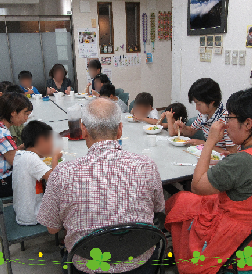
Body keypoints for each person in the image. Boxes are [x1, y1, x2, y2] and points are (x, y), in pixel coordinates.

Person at [164, 86, 252, 274]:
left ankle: (173, 255)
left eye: (230, 118)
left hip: (237, 245)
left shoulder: (243, 161)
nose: (226, 123)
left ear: (248, 124)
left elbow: (197, 185)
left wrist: (210, 141)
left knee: (181, 200)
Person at [37, 98, 164, 274]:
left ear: (83, 130)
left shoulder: (62, 173)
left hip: (88, 267)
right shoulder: (147, 166)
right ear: (120, 130)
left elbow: (52, 228)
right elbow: (158, 208)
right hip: (141, 264)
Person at [0, 92, 32, 198]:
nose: (26, 118)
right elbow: (16, 163)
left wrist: (23, 147)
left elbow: (9, 152)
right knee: (38, 180)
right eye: (25, 114)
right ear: (13, 113)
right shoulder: (3, 134)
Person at [12, 121, 62, 226]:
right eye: (51, 141)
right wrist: (55, 158)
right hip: (32, 214)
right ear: (41, 141)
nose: (53, 145)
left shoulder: (20, 154)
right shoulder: (31, 159)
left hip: (21, 209)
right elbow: (56, 180)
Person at [174, 78, 237, 154]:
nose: (197, 108)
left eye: (199, 104)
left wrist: (205, 144)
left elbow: (232, 154)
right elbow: (191, 131)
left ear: (211, 102)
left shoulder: (227, 120)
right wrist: (183, 128)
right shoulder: (204, 115)